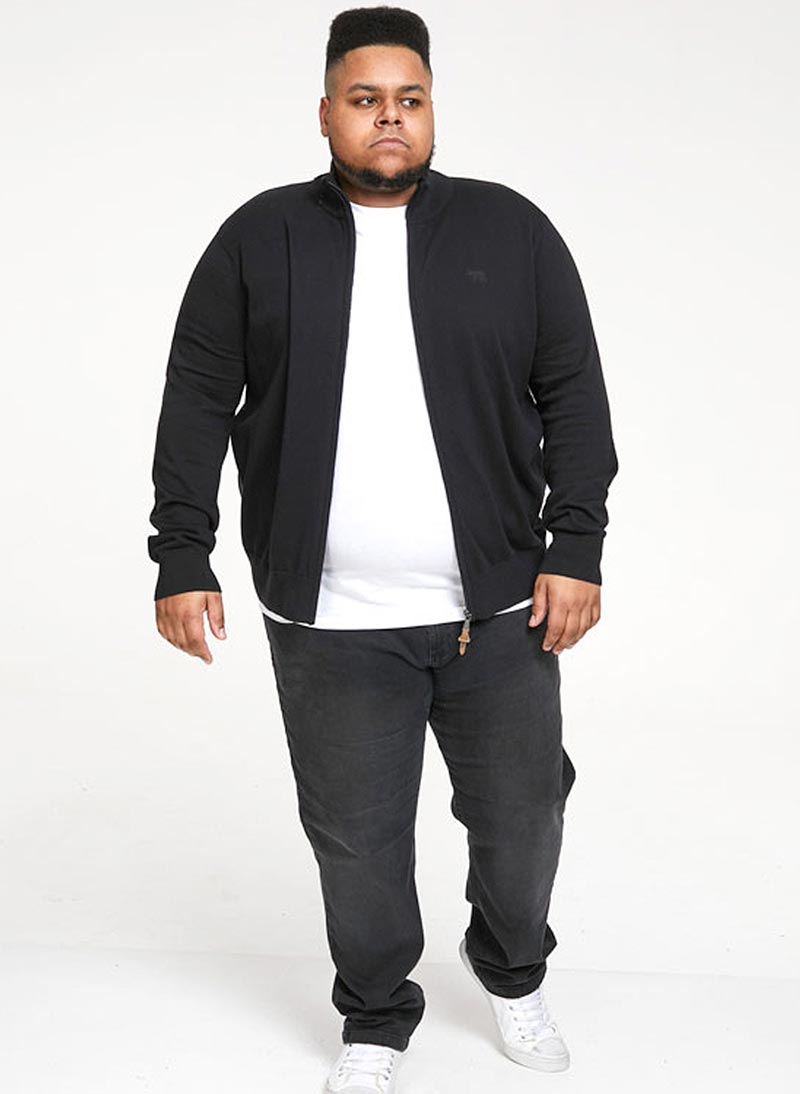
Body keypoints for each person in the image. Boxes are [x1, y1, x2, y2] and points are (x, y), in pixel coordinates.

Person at [147, 5, 619, 1091]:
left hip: (497, 609)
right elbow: (197, 398)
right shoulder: (260, 237)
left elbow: (574, 394)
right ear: (326, 113)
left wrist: (576, 546)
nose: (389, 118)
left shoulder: (509, 230)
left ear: (432, 108)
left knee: (523, 816)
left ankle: (511, 972)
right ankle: (374, 1016)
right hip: (330, 622)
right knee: (356, 839)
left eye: (409, 98)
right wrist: (182, 552)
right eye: (365, 100)